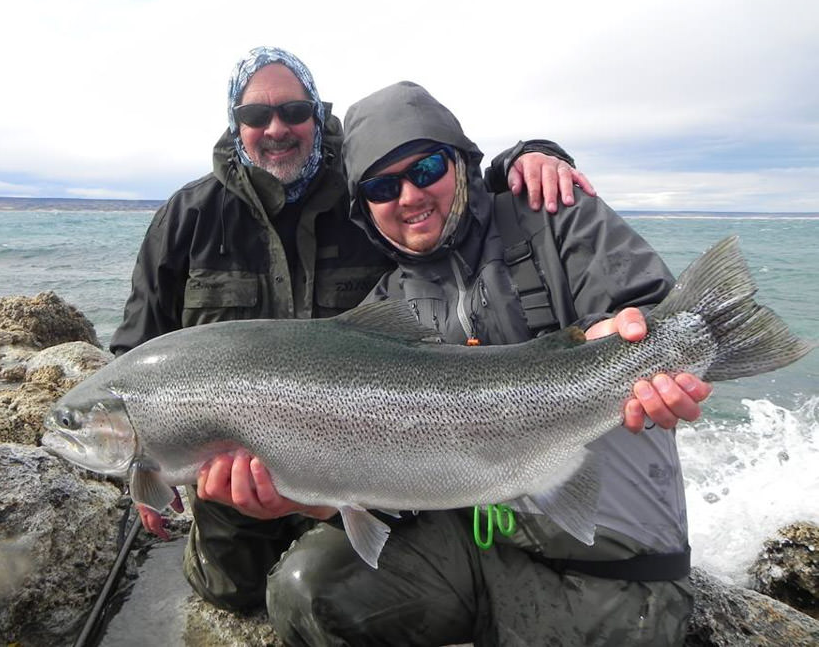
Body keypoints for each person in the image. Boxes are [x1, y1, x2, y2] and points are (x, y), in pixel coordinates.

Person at [110, 46, 595, 612]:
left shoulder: (370, 191)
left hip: (371, 458)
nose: (276, 128)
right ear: (234, 122)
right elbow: (136, 352)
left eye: (294, 111)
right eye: (255, 116)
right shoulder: (187, 217)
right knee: (231, 597)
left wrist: (530, 156)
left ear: (318, 113)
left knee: (350, 603)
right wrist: (142, 475)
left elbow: (451, 189)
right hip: (235, 477)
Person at [263, 81, 712, 646]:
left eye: (425, 168)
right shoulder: (380, 315)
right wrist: (307, 495)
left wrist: (631, 334)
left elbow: (649, 304)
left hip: (615, 570)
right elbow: (388, 483)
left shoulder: (554, 215)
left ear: (461, 163)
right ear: (364, 209)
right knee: (306, 590)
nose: (409, 196)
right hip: (470, 554)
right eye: (382, 185)